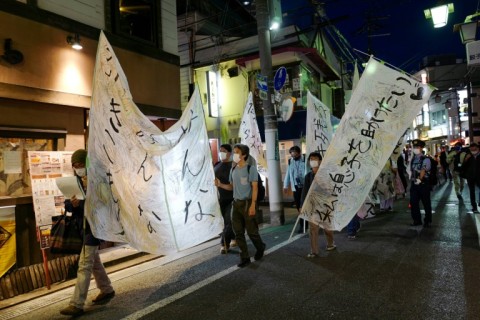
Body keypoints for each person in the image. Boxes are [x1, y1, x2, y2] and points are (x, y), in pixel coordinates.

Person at [60, 149, 115, 316]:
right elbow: (67, 205)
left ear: (87, 163)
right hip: (81, 228)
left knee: (84, 264)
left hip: (94, 227)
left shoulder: (97, 180)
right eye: (75, 165)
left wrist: (86, 196)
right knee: (94, 262)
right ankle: (107, 289)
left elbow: (104, 202)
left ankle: (77, 303)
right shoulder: (73, 181)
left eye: (81, 164)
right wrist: (73, 204)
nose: (78, 168)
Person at [215, 144, 265, 268]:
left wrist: (253, 205)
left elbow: (254, 188)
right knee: (238, 232)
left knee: (252, 232)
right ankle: (245, 257)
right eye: (234, 152)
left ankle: (260, 246)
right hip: (236, 203)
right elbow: (231, 187)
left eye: (237, 152)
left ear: (244, 155)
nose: (234, 155)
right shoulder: (233, 170)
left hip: (248, 203)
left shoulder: (250, 169)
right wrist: (220, 185)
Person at [300, 152, 335, 257]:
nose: (312, 161)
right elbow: (304, 191)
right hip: (313, 207)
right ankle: (314, 251)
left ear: (320, 161)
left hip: (325, 206)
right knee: (313, 229)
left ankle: (330, 243)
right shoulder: (308, 176)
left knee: (327, 228)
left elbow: (330, 190)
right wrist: (302, 205)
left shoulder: (325, 174)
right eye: (311, 159)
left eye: (315, 159)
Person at [214, 144, 236, 254]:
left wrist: (220, 184)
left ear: (229, 153)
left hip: (231, 199)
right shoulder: (217, 165)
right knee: (223, 222)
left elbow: (233, 186)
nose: (221, 152)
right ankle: (234, 237)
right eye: (220, 150)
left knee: (228, 222)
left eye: (224, 151)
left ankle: (224, 244)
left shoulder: (233, 166)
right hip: (219, 199)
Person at [409, 139, 433, 227]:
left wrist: (420, 179)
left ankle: (427, 220)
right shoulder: (413, 159)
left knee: (426, 203)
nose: (415, 148)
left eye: (417, 147)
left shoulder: (426, 159)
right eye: (414, 147)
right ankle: (417, 220)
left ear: (421, 148)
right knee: (413, 202)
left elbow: (423, 169)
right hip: (414, 184)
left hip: (423, 184)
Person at [283, 145, 306, 232]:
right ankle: (303, 223)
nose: (294, 157)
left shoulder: (305, 159)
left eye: (295, 155)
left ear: (299, 153)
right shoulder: (290, 161)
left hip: (304, 186)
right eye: (292, 155)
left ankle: (303, 225)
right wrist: (285, 186)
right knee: (298, 206)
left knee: (303, 205)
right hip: (295, 187)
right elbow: (288, 174)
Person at [463, 142, 480, 213]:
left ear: (478, 148)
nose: (473, 151)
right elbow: (463, 166)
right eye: (471, 150)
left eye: (474, 149)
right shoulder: (468, 156)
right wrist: (466, 160)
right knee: (472, 192)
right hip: (470, 177)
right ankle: (474, 207)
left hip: (479, 176)